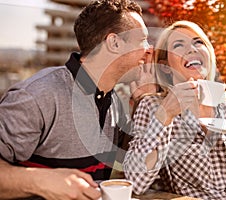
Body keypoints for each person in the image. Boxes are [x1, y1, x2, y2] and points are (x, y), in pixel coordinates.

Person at [0, 0, 153, 199]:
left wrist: (144, 103)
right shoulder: (38, 95)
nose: (150, 49)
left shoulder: (114, 100)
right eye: (142, 40)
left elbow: (132, 168)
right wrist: (41, 180)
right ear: (114, 42)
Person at [123, 20, 226, 199]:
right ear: (166, 66)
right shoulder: (152, 106)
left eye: (198, 42)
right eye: (179, 45)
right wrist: (165, 115)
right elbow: (137, 182)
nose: (192, 49)